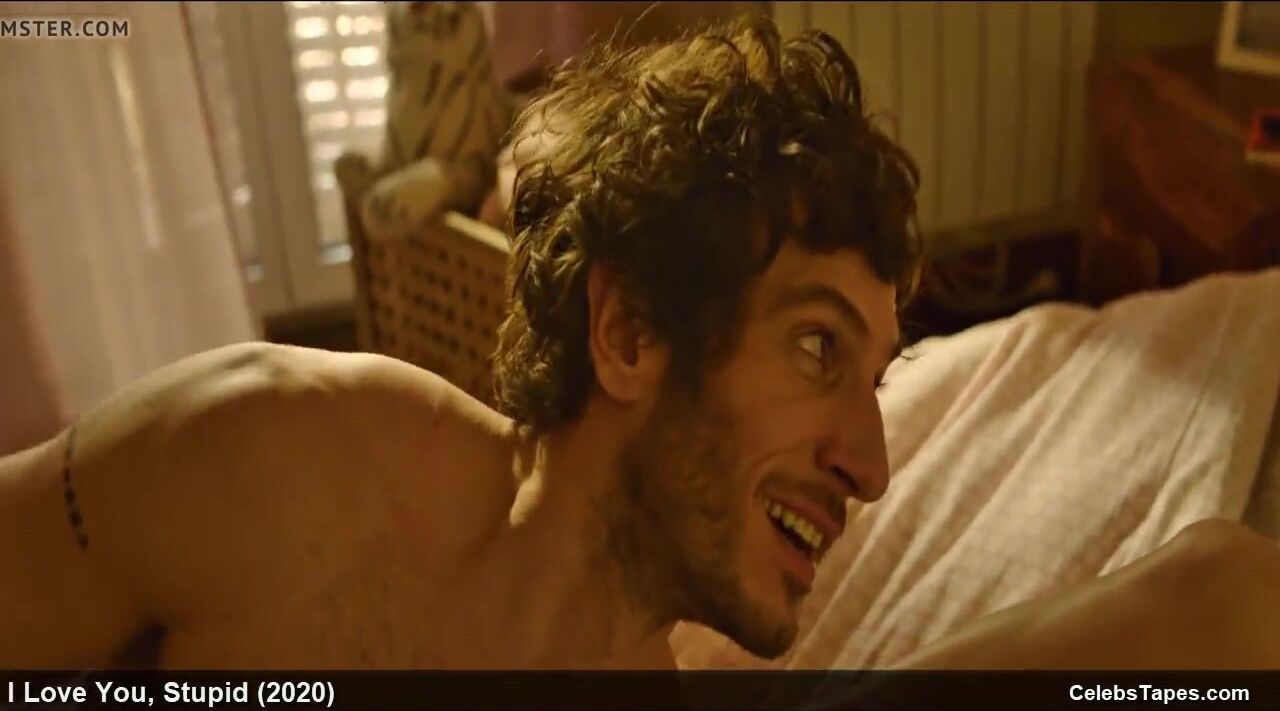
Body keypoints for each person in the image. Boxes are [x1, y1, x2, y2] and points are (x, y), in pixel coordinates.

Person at [2, 15, 1279, 672]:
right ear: (624, 332)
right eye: (817, 349)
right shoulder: (273, 455)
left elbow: (1219, 606)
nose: (874, 463)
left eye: (877, 378)